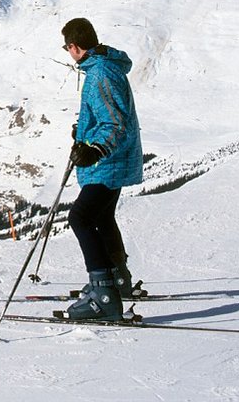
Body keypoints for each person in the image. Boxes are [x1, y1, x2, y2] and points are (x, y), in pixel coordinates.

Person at [60, 17, 143, 321]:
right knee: (102, 217)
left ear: (75, 46)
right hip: (110, 159)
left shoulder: (101, 74)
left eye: (67, 47)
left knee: (80, 217)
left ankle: (104, 294)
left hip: (107, 161)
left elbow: (115, 122)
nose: (68, 52)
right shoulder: (102, 68)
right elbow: (104, 114)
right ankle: (117, 280)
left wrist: (96, 148)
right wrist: (83, 132)